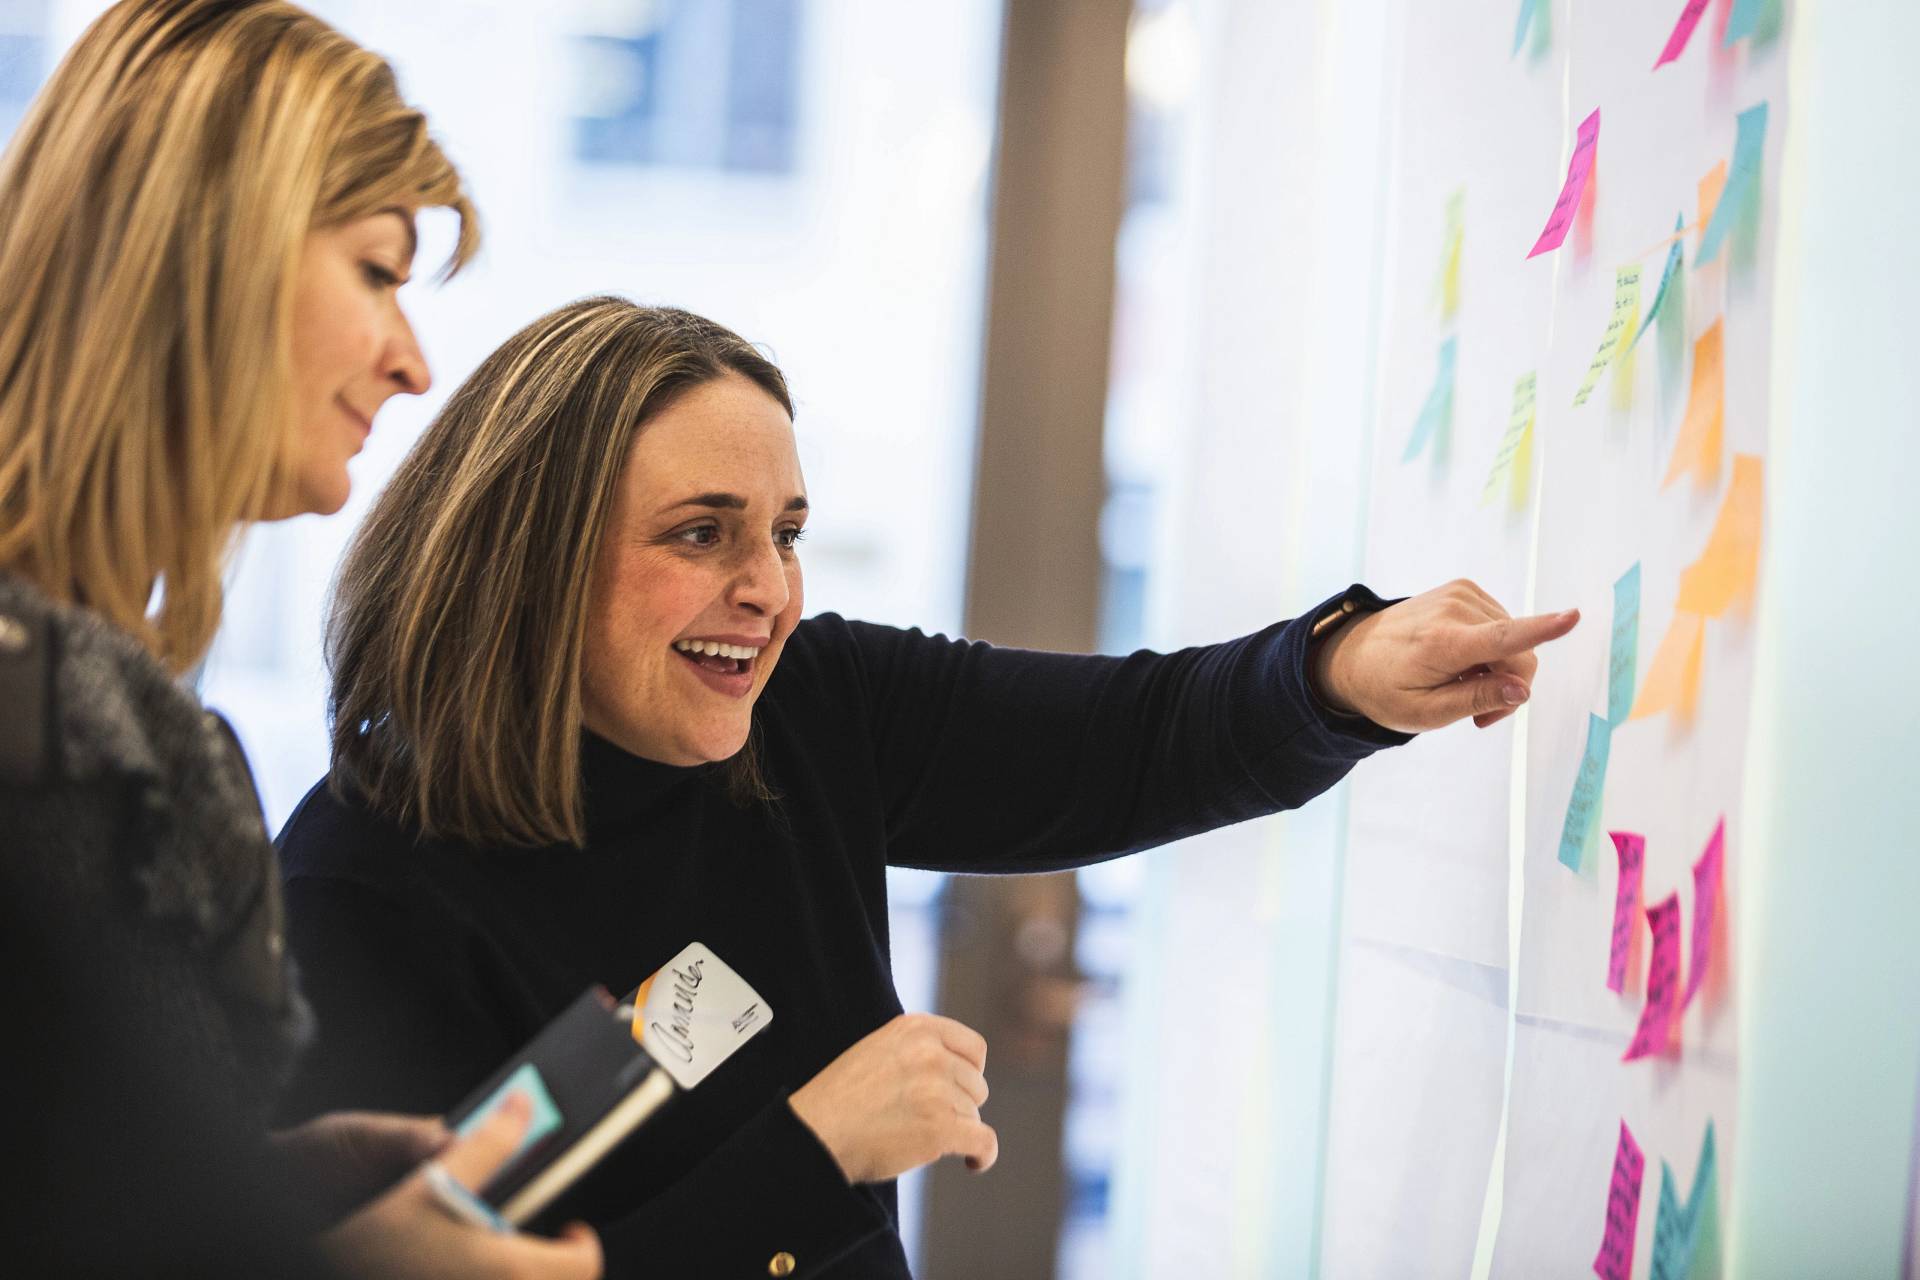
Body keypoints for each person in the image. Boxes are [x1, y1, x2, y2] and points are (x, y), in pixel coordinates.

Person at [276, 296, 1578, 1277]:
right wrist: (816, 1151)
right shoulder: (364, 882)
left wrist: (1343, 669)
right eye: (701, 533)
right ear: (532, 560)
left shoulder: (807, 711)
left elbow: (1129, 739)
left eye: (784, 532)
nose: (769, 589)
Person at [0, 2, 600, 1275]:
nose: (414, 362)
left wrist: (252, 1182)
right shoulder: (44, 723)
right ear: (209, 250)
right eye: (380, 269)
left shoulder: (81, 692)